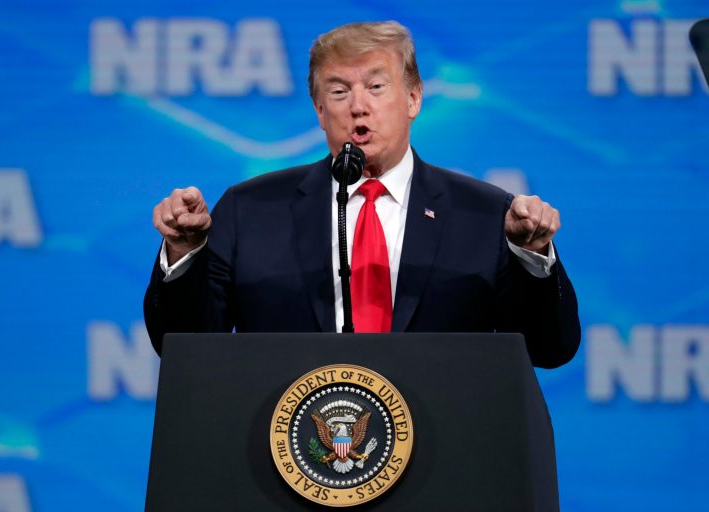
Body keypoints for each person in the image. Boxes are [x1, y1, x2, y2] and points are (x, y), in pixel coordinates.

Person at [144, 21, 580, 368]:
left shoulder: (483, 213)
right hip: (288, 456)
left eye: (375, 87)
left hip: (443, 458)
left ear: (413, 98)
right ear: (319, 111)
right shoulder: (251, 210)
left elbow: (549, 349)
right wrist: (184, 251)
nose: (357, 106)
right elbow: (185, 346)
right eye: (338, 91)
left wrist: (532, 255)